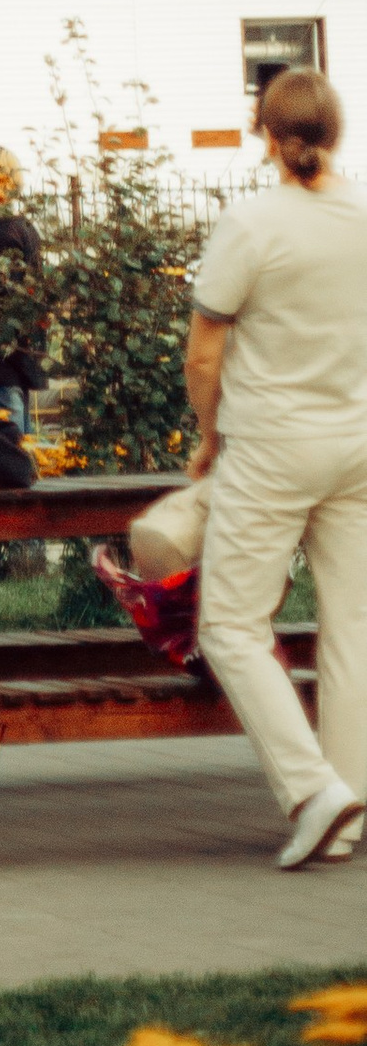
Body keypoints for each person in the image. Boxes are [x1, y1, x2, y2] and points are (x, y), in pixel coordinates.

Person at [184, 68, 367, 869]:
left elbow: (205, 345)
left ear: (266, 131)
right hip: (359, 442)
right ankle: (350, 811)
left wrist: (205, 433)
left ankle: (312, 791)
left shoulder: (253, 224)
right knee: (355, 631)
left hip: (271, 443)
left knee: (229, 624)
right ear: (338, 132)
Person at [0, 145, 48, 432]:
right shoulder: (19, 228)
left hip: (0, 364)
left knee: (6, 450)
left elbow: (10, 304)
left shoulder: (5, 235)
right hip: (17, 360)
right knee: (20, 450)